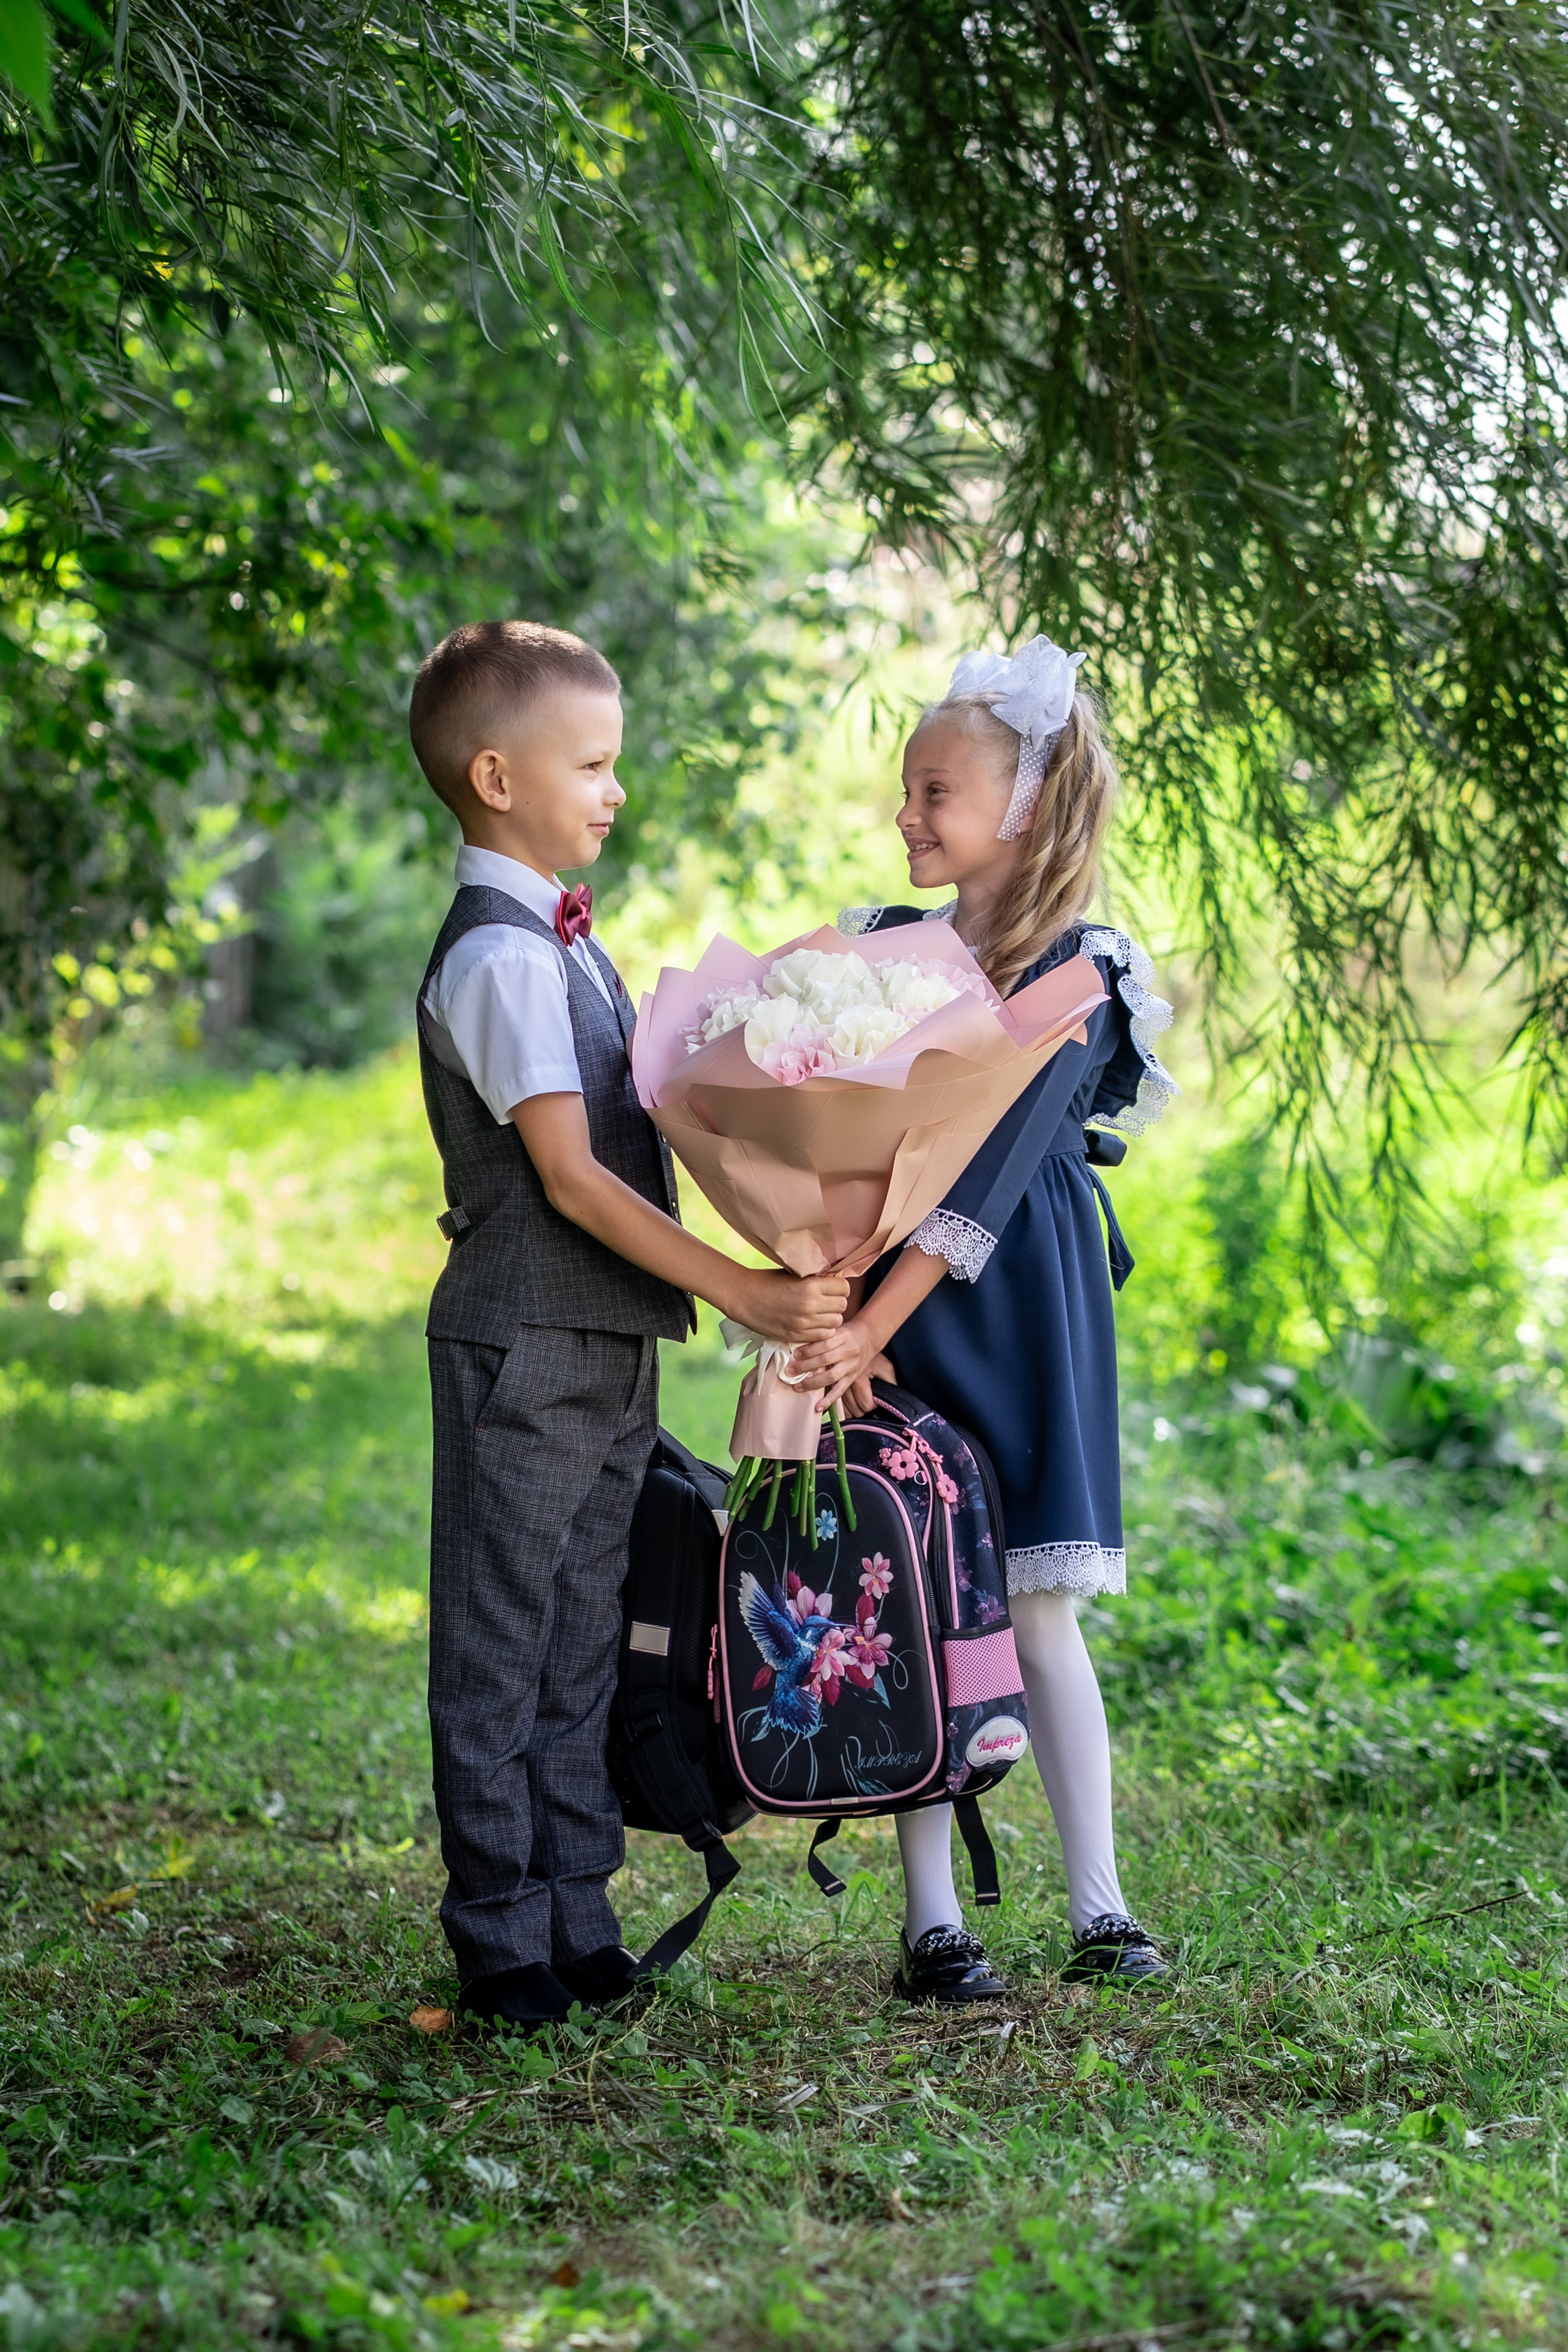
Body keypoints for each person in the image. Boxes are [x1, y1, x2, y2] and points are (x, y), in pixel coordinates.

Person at [410, 620, 847, 2031]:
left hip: (602, 1347)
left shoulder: (565, 940)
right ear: (494, 775)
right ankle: (498, 1939)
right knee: (502, 1642)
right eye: (589, 764)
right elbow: (566, 1177)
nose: (612, 790)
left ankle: (577, 1914)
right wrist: (744, 1288)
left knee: (589, 1635)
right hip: (523, 1348)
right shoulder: (499, 956)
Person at [786, 636, 1176, 2005]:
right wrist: (830, 1303)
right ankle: (931, 1920)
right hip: (895, 1322)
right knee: (903, 1589)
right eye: (905, 789)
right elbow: (842, 1157)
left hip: (1019, 1313)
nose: (906, 815)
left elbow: (990, 1180)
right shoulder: (881, 954)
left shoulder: (1085, 971)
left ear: (1021, 807)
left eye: (935, 793)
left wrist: (856, 1316)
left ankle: (1100, 1905)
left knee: (1037, 1607)